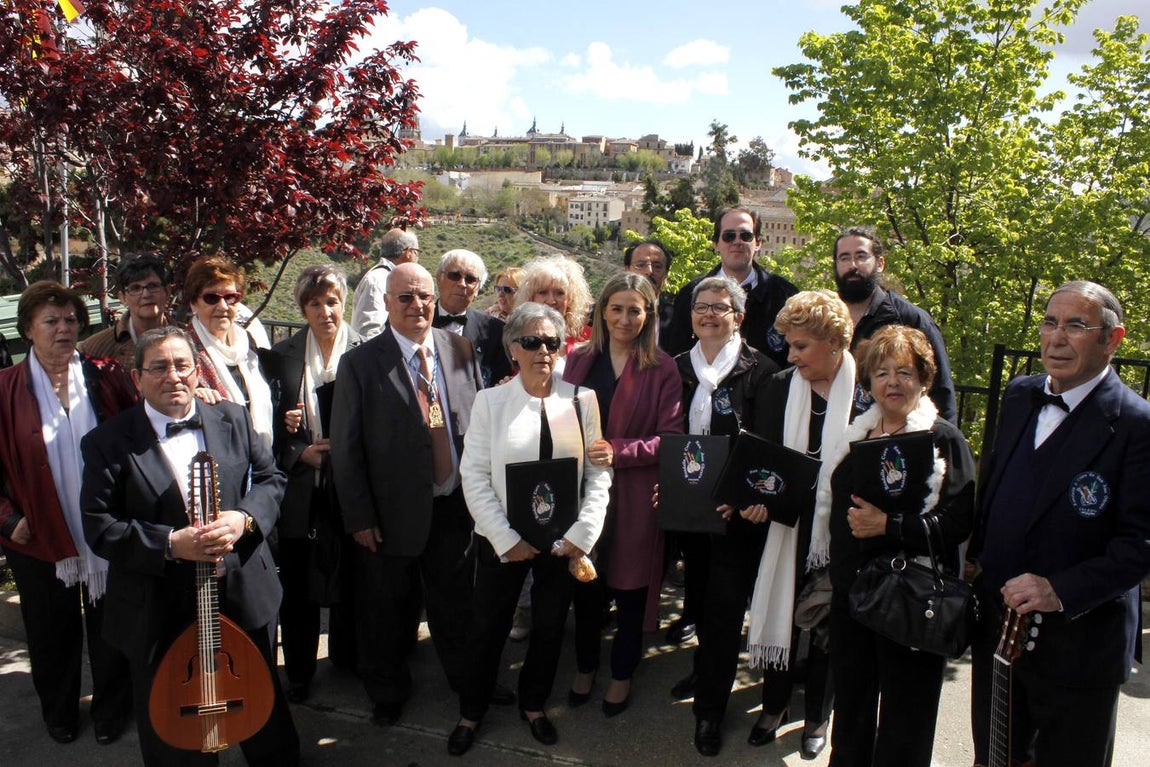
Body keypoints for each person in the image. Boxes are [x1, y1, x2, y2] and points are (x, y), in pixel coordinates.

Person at [80, 326, 299, 766]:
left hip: (240, 593)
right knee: (173, 732)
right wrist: (169, 544)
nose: (174, 376)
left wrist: (243, 519)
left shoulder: (233, 417)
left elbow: (271, 479)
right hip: (157, 605)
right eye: (159, 367)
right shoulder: (107, 442)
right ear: (137, 377)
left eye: (182, 365)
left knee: (263, 711)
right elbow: (99, 526)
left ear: (197, 370)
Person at [968, 281, 1150, 767]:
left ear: (1112, 339)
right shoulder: (1020, 394)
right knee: (996, 758)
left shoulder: (1137, 424)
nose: (1057, 338)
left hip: (1080, 648)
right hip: (1001, 636)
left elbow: (1140, 545)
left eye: (1076, 326)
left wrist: (1058, 590)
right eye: (1050, 322)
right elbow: (996, 486)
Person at [330, 262, 498, 726]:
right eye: (404, 297)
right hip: (389, 516)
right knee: (386, 610)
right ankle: (387, 692)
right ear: (386, 303)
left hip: (454, 506)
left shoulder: (460, 349)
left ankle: (468, 682)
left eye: (424, 296)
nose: (416, 305)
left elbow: (476, 425)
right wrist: (360, 517)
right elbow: (346, 448)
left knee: (457, 604)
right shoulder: (360, 364)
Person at [692, 289, 854, 758]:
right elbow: (758, 454)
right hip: (777, 527)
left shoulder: (864, 394)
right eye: (789, 344)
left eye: (801, 346)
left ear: (834, 342)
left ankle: (818, 716)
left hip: (836, 532)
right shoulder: (780, 386)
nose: (791, 355)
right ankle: (767, 705)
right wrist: (752, 500)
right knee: (770, 609)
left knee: (827, 623)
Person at [446, 302, 612, 756]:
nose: (543, 351)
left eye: (552, 342)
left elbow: (597, 474)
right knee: (488, 627)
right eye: (532, 342)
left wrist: (582, 534)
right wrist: (505, 539)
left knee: (550, 626)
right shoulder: (490, 402)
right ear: (512, 348)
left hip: (562, 542)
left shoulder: (582, 400)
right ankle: (471, 711)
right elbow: (474, 475)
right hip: (504, 541)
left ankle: (534, 704)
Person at [825, 325, 975, 767]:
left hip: (911, 598)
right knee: (851, 710)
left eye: (904, 372)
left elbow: (958, 522)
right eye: (882, 372)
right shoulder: (855, 436)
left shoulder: (943, 440)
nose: (892, 382)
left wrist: (888, 526)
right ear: (868, 381)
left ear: (924, 379)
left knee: (906, 718)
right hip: (854, 597)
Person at [0, 281, 136, 747]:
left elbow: (137, 435)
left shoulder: (106, 376)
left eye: (71, 320)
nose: (63, 329)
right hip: (35, 533)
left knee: (111, 625)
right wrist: (7, 520)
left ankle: (111, 710)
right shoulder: (4, 388)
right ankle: (59, 712)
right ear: (27, 330)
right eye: (50, 321)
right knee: (49, 629)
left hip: (104, 525)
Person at [563, 272, 684, 717]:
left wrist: (620, 450)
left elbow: (671, 439)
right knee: (586, 584)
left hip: (634, 494)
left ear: (648, 315)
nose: (624, 319)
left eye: (635, 310)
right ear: (602, 311)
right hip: (583, 492)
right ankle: (585, 665)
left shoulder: (662, 367)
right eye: (616, 308)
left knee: (631, 590)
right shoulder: (578, 359)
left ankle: (621, 672)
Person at [665, 277, 780, 712]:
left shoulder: (762, 371)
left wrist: (742, 492)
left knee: (726, 607)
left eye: (720, 307)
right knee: (697, 596)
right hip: (689, 509)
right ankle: (704, 669)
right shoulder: (675, 368)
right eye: (701, 306)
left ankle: (710, 711)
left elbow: (767, 444)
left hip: (736, 512)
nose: (709, 314)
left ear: (739, 317)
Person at [264, 265, 363, 703]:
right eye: (315, 303)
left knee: (352, 576)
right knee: (297, 586)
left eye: (333, 302)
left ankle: (348, 657)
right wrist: (297, 450)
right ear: (302, 308)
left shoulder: (365, 351)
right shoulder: (279, 356)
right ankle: (300, 671)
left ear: (345, 303)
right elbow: (263, 427)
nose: (325, 311)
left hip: (350, 487)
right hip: (301, 489)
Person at [833, 227, 957, 423]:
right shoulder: (824, 318)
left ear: (880, 263)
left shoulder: (910, 320)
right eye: (844, 258)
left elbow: (941, 393)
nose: (853, 265)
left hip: (893, 436)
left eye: (861, 256)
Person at [665, 206, 798, 366]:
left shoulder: (785, 295)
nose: (737, 242)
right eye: (729, 236)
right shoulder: (689, 294)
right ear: (716, 244)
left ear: (758, 243)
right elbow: (677, 358)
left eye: (746, 236)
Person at [184, 256, 274, 448]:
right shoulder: (184, 349)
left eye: (230, 297)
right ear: (193, 303)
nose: (223, 306)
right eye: (211, 298)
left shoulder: (247, 343)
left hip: (261, 455)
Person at [432, 249, 512, 388]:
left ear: (477, 289)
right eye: (455, 276)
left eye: (470, 279)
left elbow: (499, 384)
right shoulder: (416, 322)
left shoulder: (495, 331)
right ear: (439, 279)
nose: (462, 284)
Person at [79, 254, 174, 369]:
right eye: (135, 288)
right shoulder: (93, 350)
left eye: (153, 286)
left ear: (167, 292)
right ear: (123, 298)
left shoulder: (188, 340)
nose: (146, 294)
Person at [514, 254, 594, 373]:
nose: (551, 300)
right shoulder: (517, 337)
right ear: (530, 297)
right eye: (543, 292)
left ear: (570, 299)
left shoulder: (590, 338)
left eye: (559, 293)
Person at [350, 227, 420, 338]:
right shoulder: (379, 280)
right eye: (417, 252)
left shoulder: (386, 278)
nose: (418, 259)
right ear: (408, 252)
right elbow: (368, 332)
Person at [623, 238, 676, 350]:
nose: (649, 271)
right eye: (640, 265)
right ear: (627, 270)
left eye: (657, 266)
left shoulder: (676, 318)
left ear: (666, 275)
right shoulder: (603, 313)